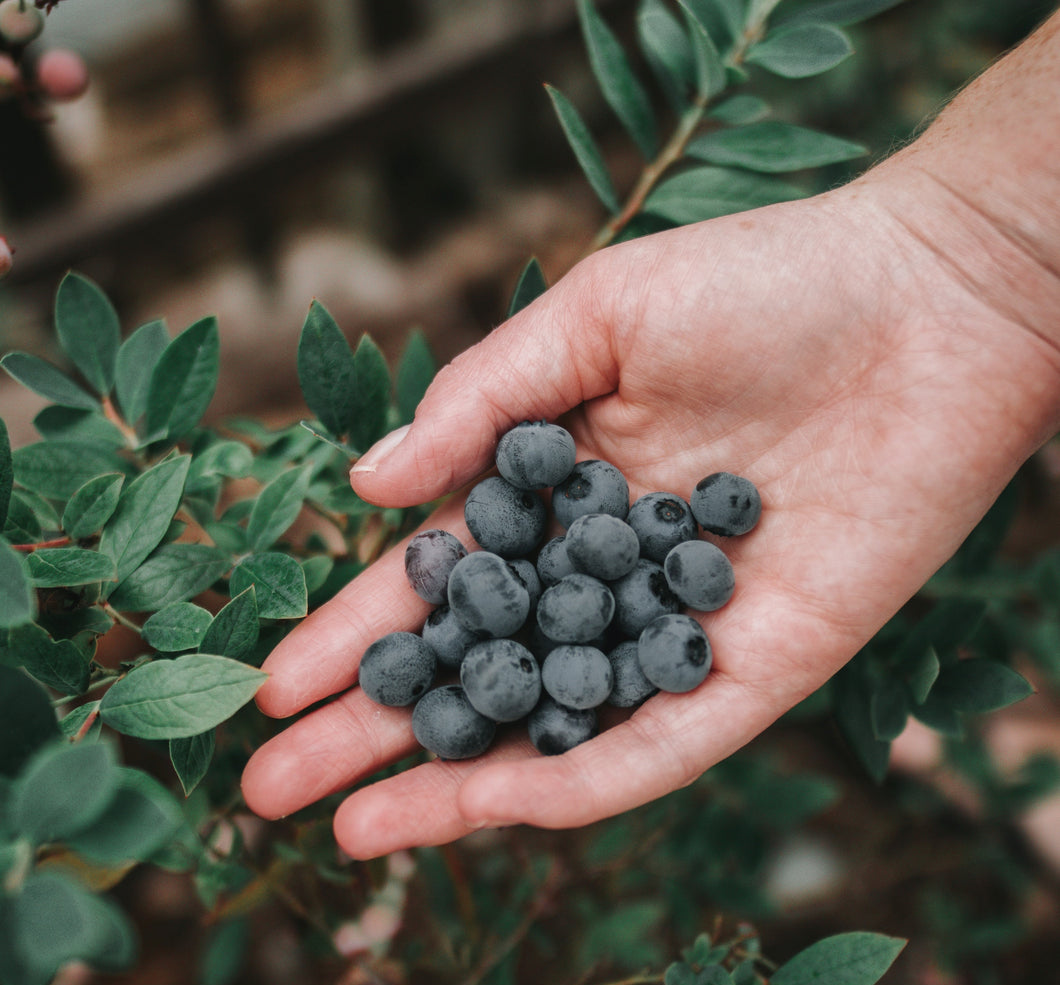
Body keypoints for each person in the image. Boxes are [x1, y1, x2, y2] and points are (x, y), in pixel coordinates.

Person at [241, 9, 1060, 859]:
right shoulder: (569, 569)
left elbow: (579, 610)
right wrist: (975, 247)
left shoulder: (606, 564)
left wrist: (973, 248)